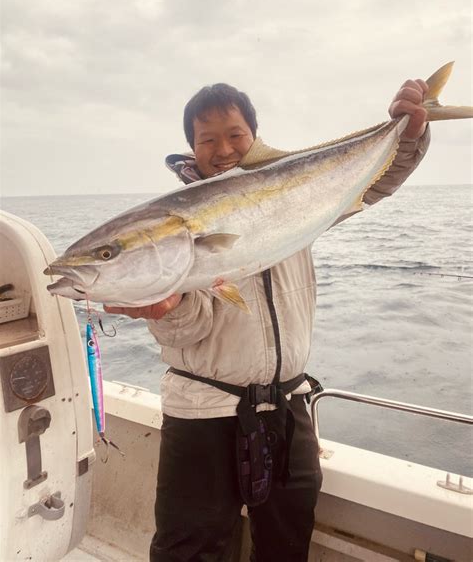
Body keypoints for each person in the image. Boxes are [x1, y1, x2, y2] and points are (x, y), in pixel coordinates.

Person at [105, 77, 430, 561]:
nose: (223, 148)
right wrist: (167, 310)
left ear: (254, 135)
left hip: (288, 407)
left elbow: (374, 182)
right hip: (204, 414)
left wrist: (410, 134)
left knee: (286, 544)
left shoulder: (295, 196)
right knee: (190, 549)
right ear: (191, 148)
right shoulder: (170, 225)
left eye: (235, 134)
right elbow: (193, 330)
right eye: (207, 138)